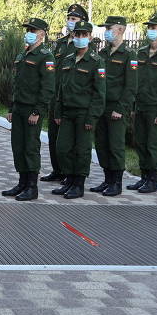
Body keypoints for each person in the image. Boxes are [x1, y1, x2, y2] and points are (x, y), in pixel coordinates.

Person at [2, 18, 55, 200]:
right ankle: (22, 183)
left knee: (30, 147)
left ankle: (32, 187)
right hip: (19, 108)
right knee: (18, 146)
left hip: (32, 110)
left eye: (33, 30)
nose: (29, 33)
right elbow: (16, 84)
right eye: (28, 30)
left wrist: (37, 111)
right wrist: (11, 107)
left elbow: (47, 88)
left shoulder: (45, 56)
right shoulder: (23, 54)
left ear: (42, 34)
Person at [52, 21, 106, 199]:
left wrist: (92, 117)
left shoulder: (96, 62)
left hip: (84, 113)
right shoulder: (68, 59)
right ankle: (69, 178)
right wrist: (58, 111)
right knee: (62, 148)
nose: (80, 38)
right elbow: (61, 88)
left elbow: (99, 93)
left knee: (82, 150)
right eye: (77, 35)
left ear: (90, 37)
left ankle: (78, 184)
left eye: (84, 35)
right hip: (67, 112)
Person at [127, 14, 157, 194]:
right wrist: (133, 106)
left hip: (156, 107)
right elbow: (135, 81)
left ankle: (152, 179)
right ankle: (143, 176)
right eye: (149, 28)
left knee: (152, 144)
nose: (150, 31)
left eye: (154, 28)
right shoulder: (140, 52)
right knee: (140, 142)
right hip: (141, 105)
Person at [41, 3, 88, 183]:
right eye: (69, 18)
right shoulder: (61, 43)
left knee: (69, 139)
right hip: (56, 96)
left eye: (74, 19)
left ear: (82, 22)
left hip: (71, 98)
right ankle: (57, 169)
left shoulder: (81, 44)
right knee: (54, 135)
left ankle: (71, 172)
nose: (70, 22)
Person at [92, 16, 137, 197]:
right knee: (102, 144)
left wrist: (121, 108)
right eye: (106, 29)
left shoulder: (129, 55)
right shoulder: (102, 54)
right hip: (101, 106)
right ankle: (107, 179)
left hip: (116, 108)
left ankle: (116, 182)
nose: (106, 32)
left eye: (109, 28)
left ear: (120, 30)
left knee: (115, 145)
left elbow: (131, 86)